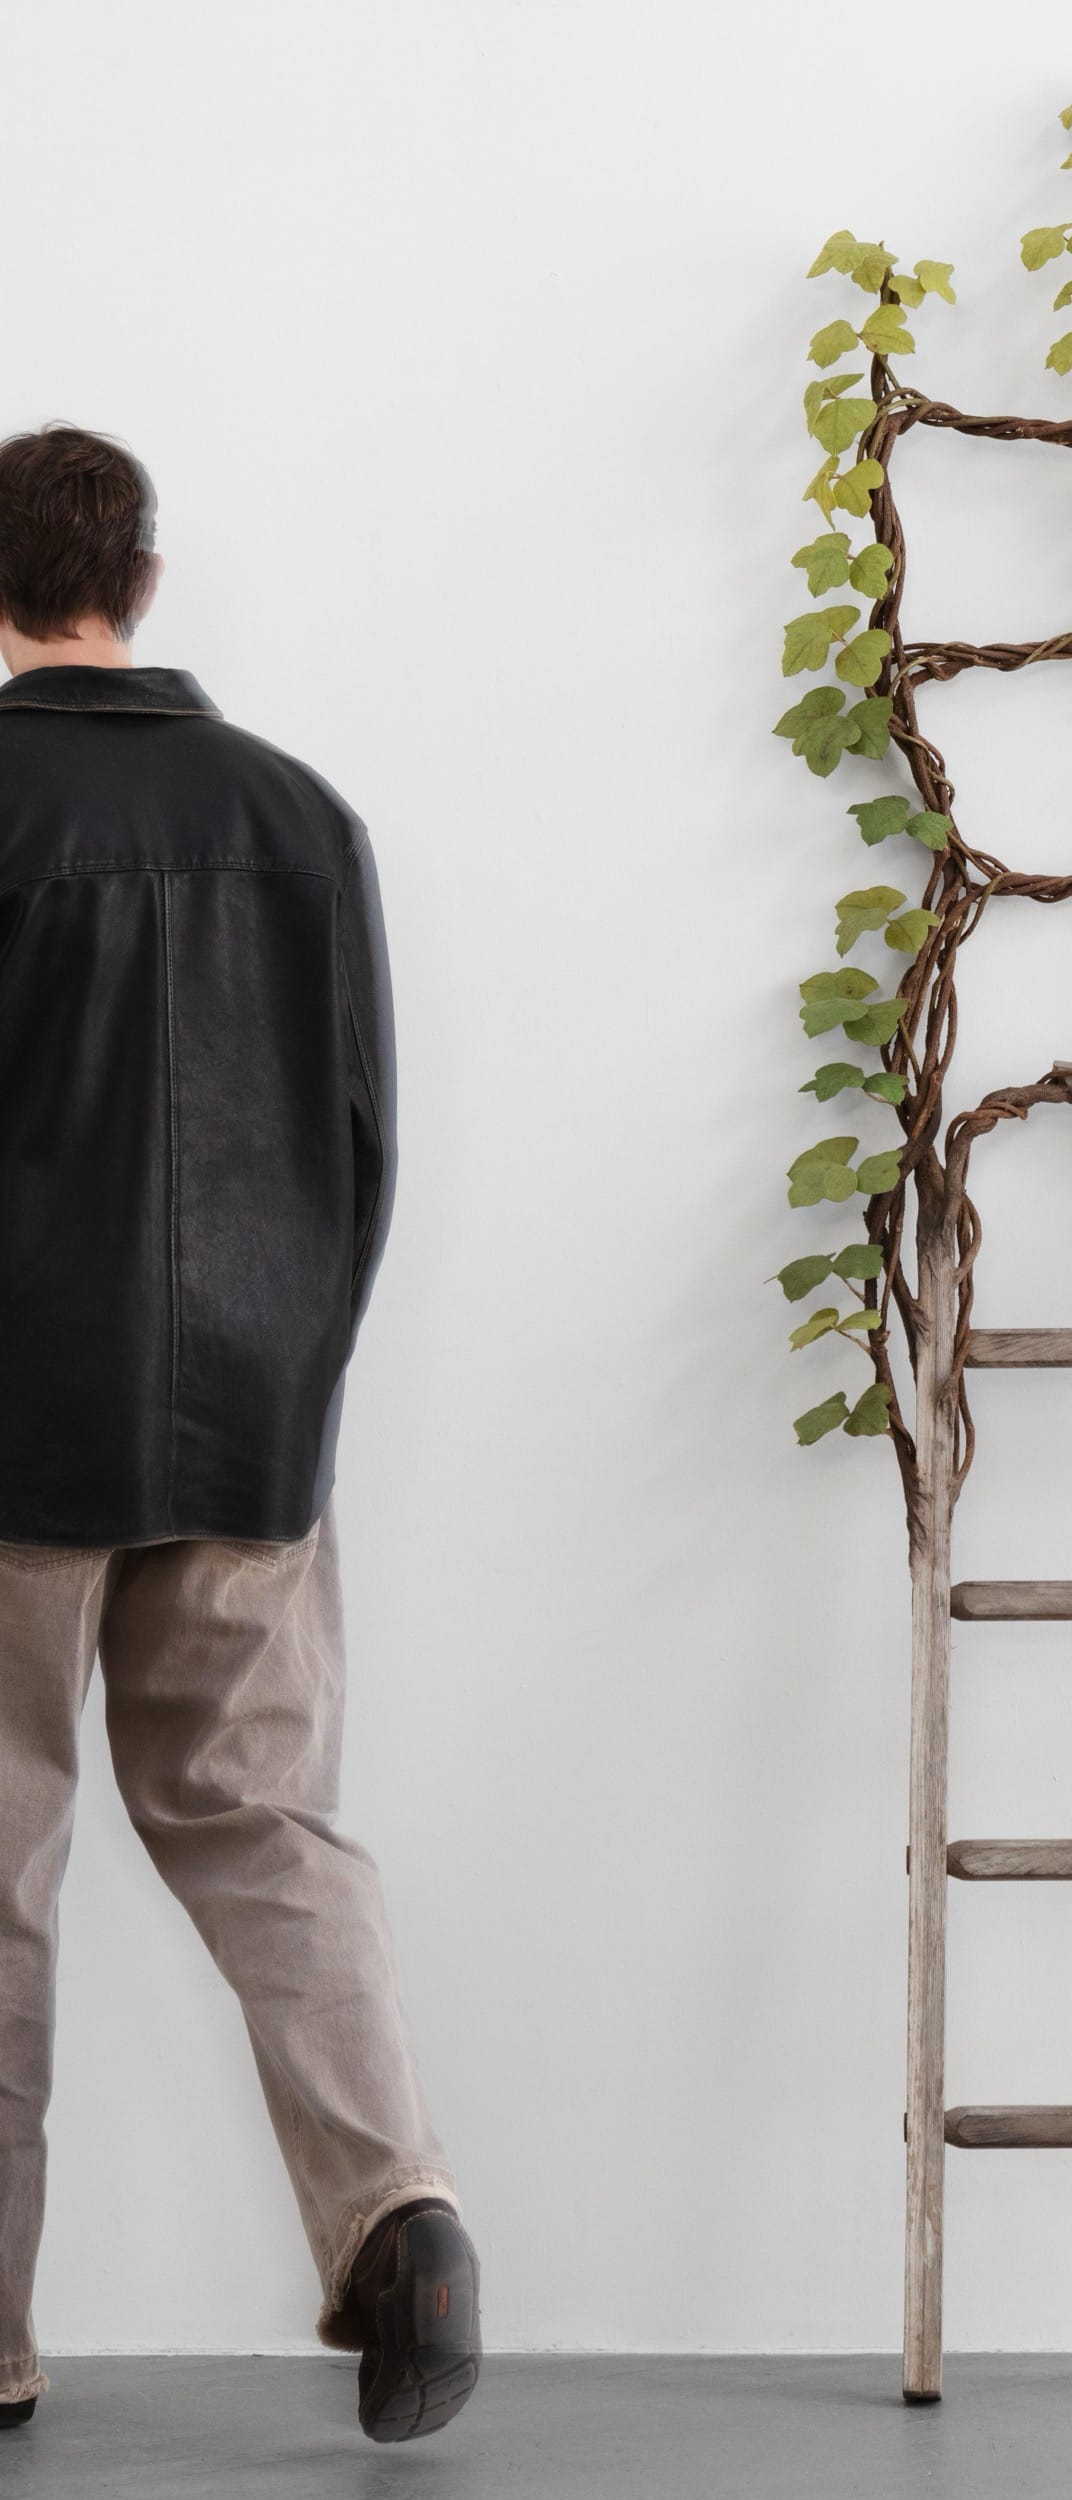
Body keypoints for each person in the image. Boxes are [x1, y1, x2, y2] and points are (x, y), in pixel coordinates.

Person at [0, 426, 479, 2444]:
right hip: (249, 1421)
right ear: (149, 580)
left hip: (13, 1423)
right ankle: (404, 2209)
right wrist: (296, 1375)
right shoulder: (301, 816)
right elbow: (362, 1143)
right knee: (268, 1831)